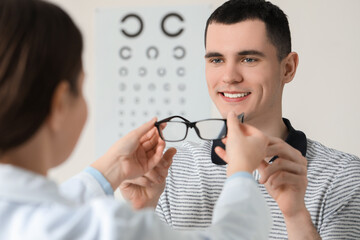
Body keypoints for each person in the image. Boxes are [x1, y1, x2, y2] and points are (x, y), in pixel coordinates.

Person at [0, 0, 272, 239]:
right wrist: (241, 172)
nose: (229, 77)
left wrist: (112, 169)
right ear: (59, 104)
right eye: (81, 88)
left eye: (248, 59)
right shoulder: (106, 228)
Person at [120, 0, 360, 239]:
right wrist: (141, 213)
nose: (229, 77)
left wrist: (296, 216)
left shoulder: (344, 177)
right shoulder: (169, 173)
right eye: (216, 60)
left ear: (287, 68)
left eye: (248, 59)